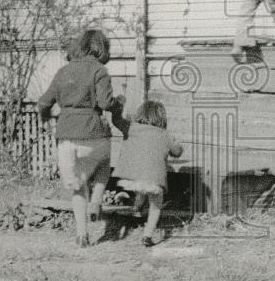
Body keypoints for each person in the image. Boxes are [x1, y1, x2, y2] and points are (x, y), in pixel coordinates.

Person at [37, 28, 126, 248]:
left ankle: (81, 235)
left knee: (77, 185)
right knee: (103, 165)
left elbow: (43, 103)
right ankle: (96, 201)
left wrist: (47, 118)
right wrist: (119, 103)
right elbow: (105, 104)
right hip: (94, 133)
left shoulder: (63, 72)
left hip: (67, 137)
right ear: (101, 49)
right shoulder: (100, 71)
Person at [114, 99, 183, 247]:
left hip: (131, 178)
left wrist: (117, 106)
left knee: (142, 185)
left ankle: (136, 208)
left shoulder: (131, 127)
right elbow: (177, 152)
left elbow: (116, 121)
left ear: (140, 113)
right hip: (153, 181)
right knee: (155, 205)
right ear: (162, 118)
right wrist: (177, 143)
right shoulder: (165, 134)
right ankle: (147, 236)